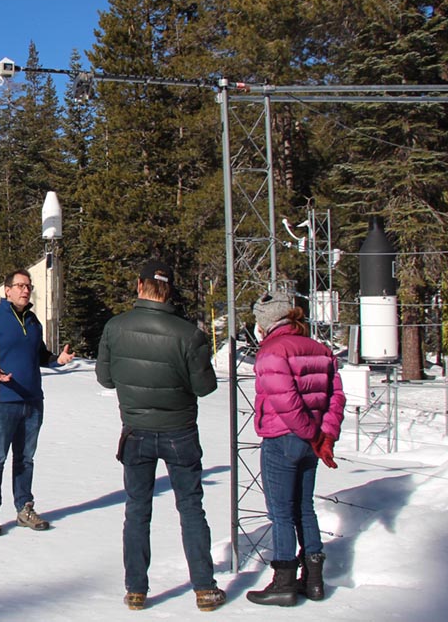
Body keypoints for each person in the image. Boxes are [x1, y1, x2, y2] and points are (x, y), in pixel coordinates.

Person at [95, 260, 226, 612]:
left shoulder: (115, 327)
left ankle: (136, 590)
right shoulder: (188, 334)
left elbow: (106, 379)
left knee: (137, 510)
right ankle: (204, 588)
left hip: (136, 430)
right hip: (179, 431)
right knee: (191, 509)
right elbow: (205, 386)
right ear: (168, 290)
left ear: (140, 286)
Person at [246, 291, 345, 606]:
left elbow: (285, 402)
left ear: (266, 322)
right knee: (304, 507)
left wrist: (313, 435)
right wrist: (324, 435)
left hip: (283, 438)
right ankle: (314, 580)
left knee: (281, 513)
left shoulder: (272, 352)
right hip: (310, 443)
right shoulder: (319, 349)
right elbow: (336, 396)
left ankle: (284, 580)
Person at [0, 268, 74, 536]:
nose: (25, 290)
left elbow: (39, 355)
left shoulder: (33, 321)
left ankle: (24, 508)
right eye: (20, 286)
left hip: (32, 400)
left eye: (28, 286)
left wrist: (57, 361)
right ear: (7, 290)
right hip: (1, 401)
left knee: (25, 459)